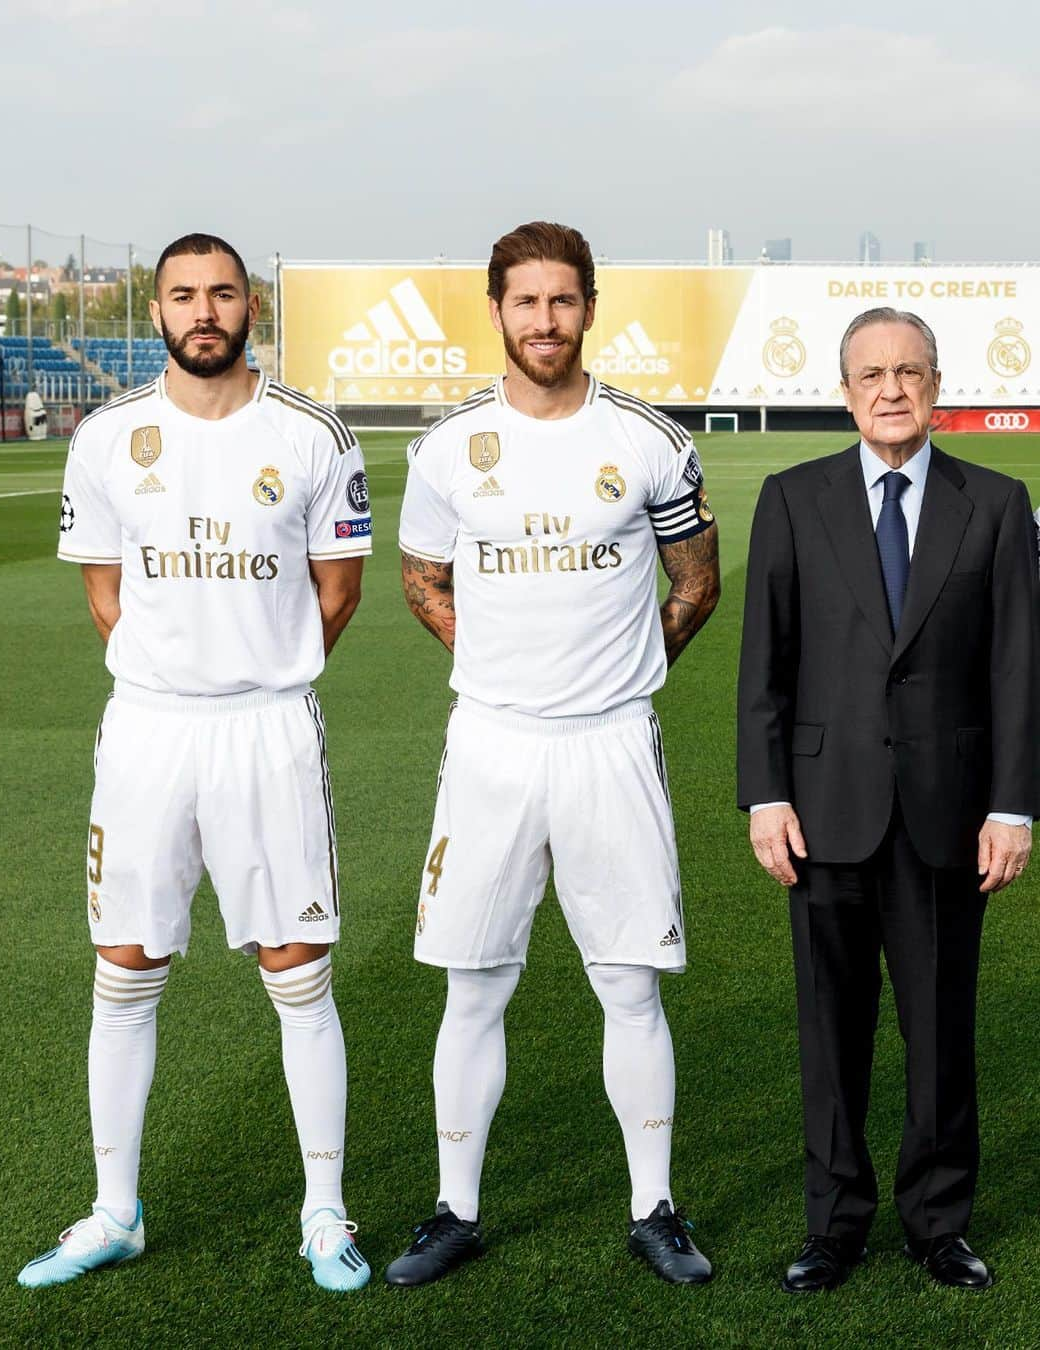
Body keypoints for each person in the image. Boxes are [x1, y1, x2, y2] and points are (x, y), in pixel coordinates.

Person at [18, 233, 373, 1292]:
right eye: (183, 295)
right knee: (125, 966)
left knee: (296, 970)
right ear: (160, 309)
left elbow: (339, 589)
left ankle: (326, 1211)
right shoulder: (108, 435)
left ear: (250, 307)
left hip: (267, 728)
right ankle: (114, 1209)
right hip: (148, 732)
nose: (202, 310)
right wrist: (178, 675)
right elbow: (104, 597)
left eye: (222, 292)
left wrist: (257, 669)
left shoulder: (313, 433)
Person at [385, 221, 720, 1288]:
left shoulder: (651, 441)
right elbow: (422, 579)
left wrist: (620, 669)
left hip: (611, 746)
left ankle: (654, 1207)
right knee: (473, 988)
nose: (545, 321)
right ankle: (455, 1208)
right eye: (525, 302)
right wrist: (501, 665)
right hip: (490, 747)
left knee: (630, 986)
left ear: (588, 307)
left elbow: (697, 581)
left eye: (563, 300)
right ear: (497, 311)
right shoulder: (446, 448)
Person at [738, 307, 1039, 1293]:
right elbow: (765, 668)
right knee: (832, 1031)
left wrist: (1013, 806)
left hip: (950, 814)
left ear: (938, 383)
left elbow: (1016, 670)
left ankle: (939, 1223)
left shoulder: (995, 504)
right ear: (845, 390)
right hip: (824, 812)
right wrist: (765, 794)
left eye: (909, 370)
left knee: (943, 1029)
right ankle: (834, 1225)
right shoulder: (792, 498)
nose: (892, 389)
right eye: (872, 374)